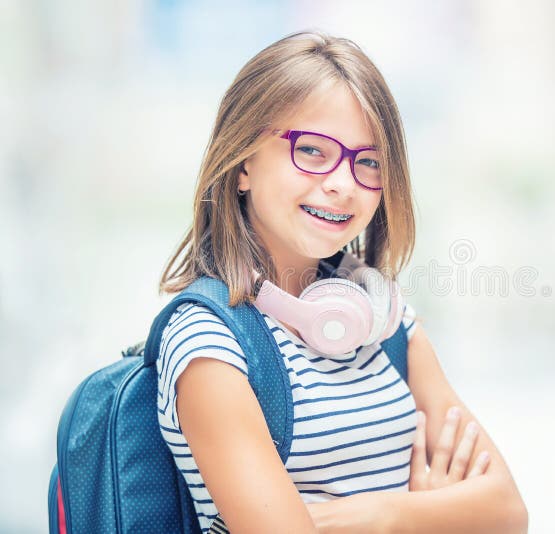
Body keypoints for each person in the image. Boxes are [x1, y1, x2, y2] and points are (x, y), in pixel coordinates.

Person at [156, 30, 528, 533]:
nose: (342, 183)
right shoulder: (210, 345)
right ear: (244, 162)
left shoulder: (387, 323)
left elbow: (507, 513)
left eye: (368, 161)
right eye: (311, 151)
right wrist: (440, 516)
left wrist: (385, 516)